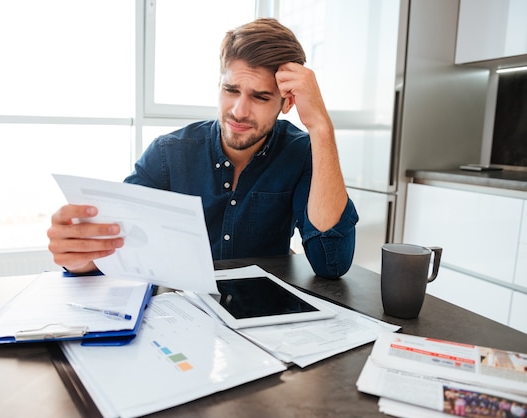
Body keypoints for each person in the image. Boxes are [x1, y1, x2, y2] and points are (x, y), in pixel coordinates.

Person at [47, 18, 358, 279]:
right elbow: (116, 248)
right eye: (230, 90)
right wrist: (76, 258)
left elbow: (331, 263)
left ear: (286, 101)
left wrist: (321, 128)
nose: (238, 110)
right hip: (177, 314)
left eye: (260, 97)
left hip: (262, 318)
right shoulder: (168, 155)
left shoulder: (301, 153)